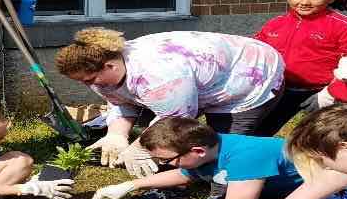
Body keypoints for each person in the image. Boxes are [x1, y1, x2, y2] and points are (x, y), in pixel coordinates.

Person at [54, 28, 285, 178]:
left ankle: (224, 195)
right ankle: (181, 177)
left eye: (90, 79)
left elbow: (176, 122)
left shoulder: (159, 75)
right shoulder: (106, 70)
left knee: (218, 146)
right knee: (187, 147)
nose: (90, 86)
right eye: (82, 82)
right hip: (201, 74)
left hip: (250, 75)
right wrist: (117, 135)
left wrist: (140, 147)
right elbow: (121, 101)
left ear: (110, 66)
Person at [88, 117, 347, 199]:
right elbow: (184, 173)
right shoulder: (206, 152)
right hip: (267, 191)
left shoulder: (244, 155)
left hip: (327, 189)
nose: (162, 166)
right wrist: (129, 185)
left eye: (165, 160)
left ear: (196, 151)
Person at [252, 0, 347, 136]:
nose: (304, 2)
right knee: (257, 132)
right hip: (279, 89)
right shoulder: (276, 23)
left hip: (321, 92)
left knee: (324, 138)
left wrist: (332, 92)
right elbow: (255, 50)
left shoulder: (345, 27)